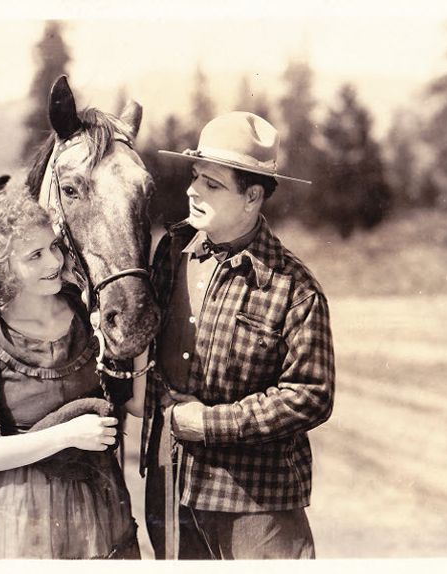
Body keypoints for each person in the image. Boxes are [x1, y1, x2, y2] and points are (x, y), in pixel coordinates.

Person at [138, 111, 335, 559]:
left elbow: (310, 396)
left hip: (255, 504)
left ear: (251, 198)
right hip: (170, 487)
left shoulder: (294, 288)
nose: (192, 190)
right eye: (194, 177)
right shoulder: (171, 253)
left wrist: (209, 424)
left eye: (212, 183)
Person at [0, 183, 141, 559]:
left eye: (53, 246)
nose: (54, 262)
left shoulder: (87, 312)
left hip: (101, 505)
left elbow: (133, 400)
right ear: (2, 268)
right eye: (34, 255)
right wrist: (66, 434)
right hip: (23, 516)